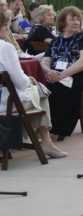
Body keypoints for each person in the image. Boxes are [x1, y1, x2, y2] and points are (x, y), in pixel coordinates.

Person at [0, 12, 67, 158]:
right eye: (5, 25)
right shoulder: (5, 47)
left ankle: (38, 139)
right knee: (41, 91)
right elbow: (20, 82)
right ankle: (46, 142)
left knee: (36, 92)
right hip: (5, 103)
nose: (7, 29)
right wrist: (29, 80)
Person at [40, 6, 83, 137]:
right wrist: (49, 72)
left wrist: (63, 75)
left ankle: (53, 127)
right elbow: (45, 62)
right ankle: (42, 127)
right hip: (55, 75)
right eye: (72, 19)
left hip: (76, 76)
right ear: (63, 23)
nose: (76, 22)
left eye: (78, 20)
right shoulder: (55, 41)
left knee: (51, 89)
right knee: (37, 89)